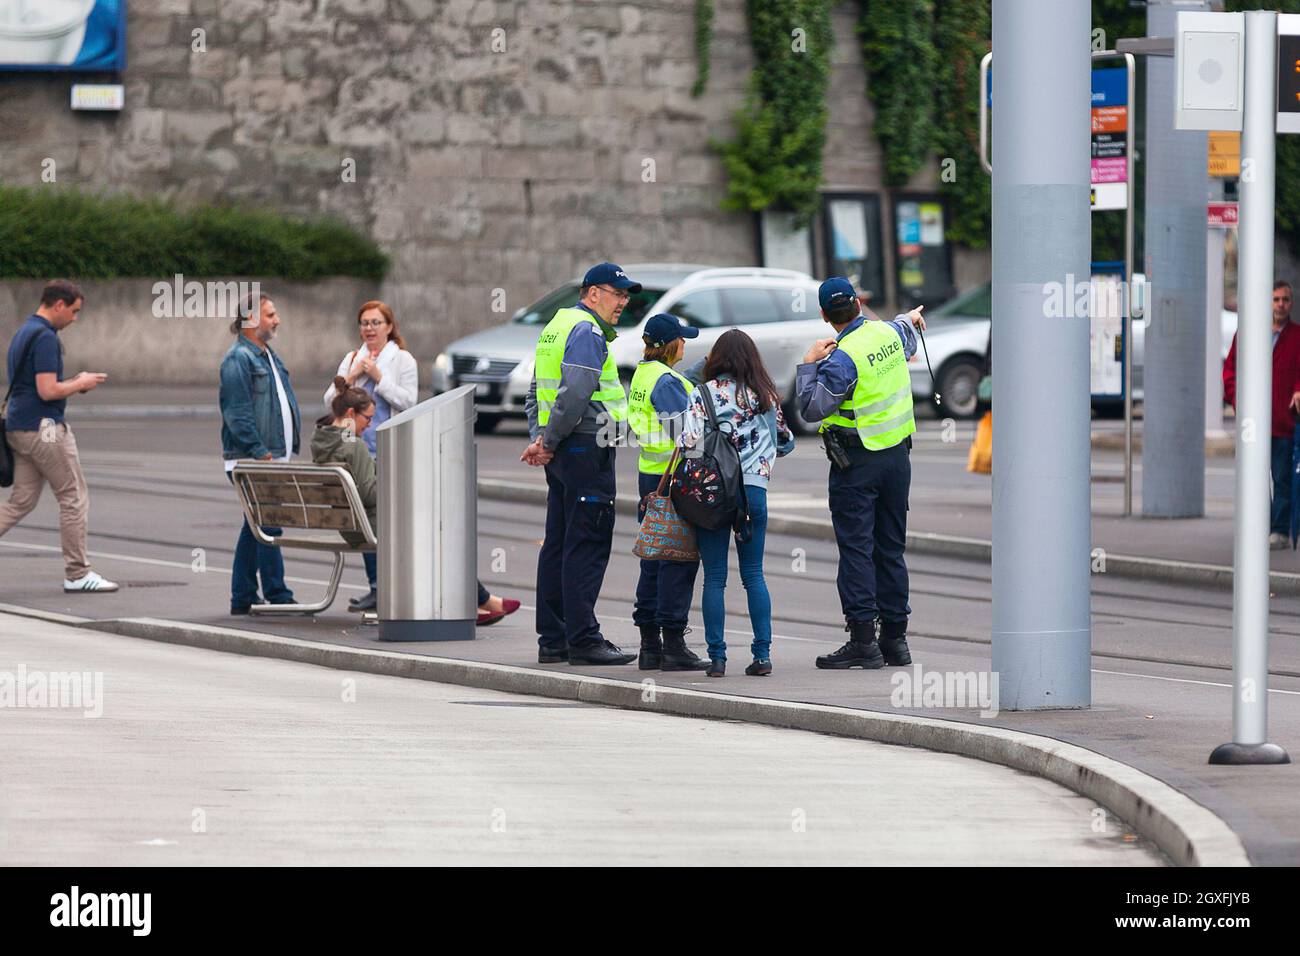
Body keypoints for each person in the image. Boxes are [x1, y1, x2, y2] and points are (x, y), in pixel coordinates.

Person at [796, 276, 926, 669]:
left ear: (824, 316)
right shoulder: (888, 333)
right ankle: (896, 641)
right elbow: (906, 332)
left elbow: (811, 409)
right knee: (890, 549)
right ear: (858, 302)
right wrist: (910, 317)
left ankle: (863, 642)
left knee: (857, 550)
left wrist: (807, 366)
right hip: (897, 459)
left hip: (857, 463)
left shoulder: (841, 358)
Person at [521, 262, 637, 665]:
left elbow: (536, 388)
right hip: (587, 446)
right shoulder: (587, 332)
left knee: (558, 541)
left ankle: (553, 639)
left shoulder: (556, 326)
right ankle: (583, 639)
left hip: (564, 451)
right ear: (592, 293)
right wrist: (549, 440)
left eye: (625, 296)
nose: (622, 302)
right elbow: (575, 393)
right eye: (616, 293)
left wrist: (540, 438)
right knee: (586, 544)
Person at [681, 329, 794, 678]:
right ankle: (762, 655)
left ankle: (717, 658)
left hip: (714, 493)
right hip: (754, 493)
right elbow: (785, 442)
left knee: (714, 578)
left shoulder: (703, 394)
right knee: (754, 575)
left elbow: (690, 443)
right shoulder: (764, 395)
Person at [0, 279, 117, 592]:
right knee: (73, 497)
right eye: (74, 311)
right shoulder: (46, 338)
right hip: (45, 429)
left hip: (18, 427)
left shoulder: (24, 331)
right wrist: (80, 382)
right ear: (58, 304)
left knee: (20, 501)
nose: (75, 318)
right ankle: (77, 573)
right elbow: (47, 389)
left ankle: (77, 572)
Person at [323, 300, 417, 612]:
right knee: (367, 521)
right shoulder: (352, 358)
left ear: (389, 327)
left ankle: (387, 587)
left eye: (376, 323)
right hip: (355, 453)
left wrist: (379, 377)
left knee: (384, 522)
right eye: (364, 323)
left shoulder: (402, 360)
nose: (369, 329)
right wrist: (349, 377)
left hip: (387, 450)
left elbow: (409, 403)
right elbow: (329, 402)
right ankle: (376, 587)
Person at [627, 313, 708, 671]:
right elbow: (686, 435)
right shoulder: (666, 382)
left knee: (654, 556)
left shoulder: (645, 375)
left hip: (651, 476)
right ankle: (673, 643)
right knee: (677, 559)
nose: (686, 345)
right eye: (683, 339)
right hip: (675, 480)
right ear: (672, 344)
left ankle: (650, 645)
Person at [220, 292, 300, 614]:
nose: (276, 320)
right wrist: (258, 450)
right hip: (254, 458)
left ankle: (243, 596)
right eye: (270, 315)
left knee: (255, 526)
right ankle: (277, 593)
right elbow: (236, 411)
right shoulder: (238, 358)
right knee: (269, 524)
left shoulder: (266, 354)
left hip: (270, 455)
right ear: (251, 319)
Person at [1223, 279, 1300, 550]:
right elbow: (1230, 371)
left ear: (1291, 303)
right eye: (1276, 299)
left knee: (1281, 478)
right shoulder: (1248, 334)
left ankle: (1278, 531)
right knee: (1254, 477)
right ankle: (1259, 526)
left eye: (1285, 300)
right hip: (1252, 423)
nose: (1280, 304)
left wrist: (1298, 391)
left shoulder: (1297, 336)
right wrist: (1236, 399)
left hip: (1283, 421)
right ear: (1267, 302)